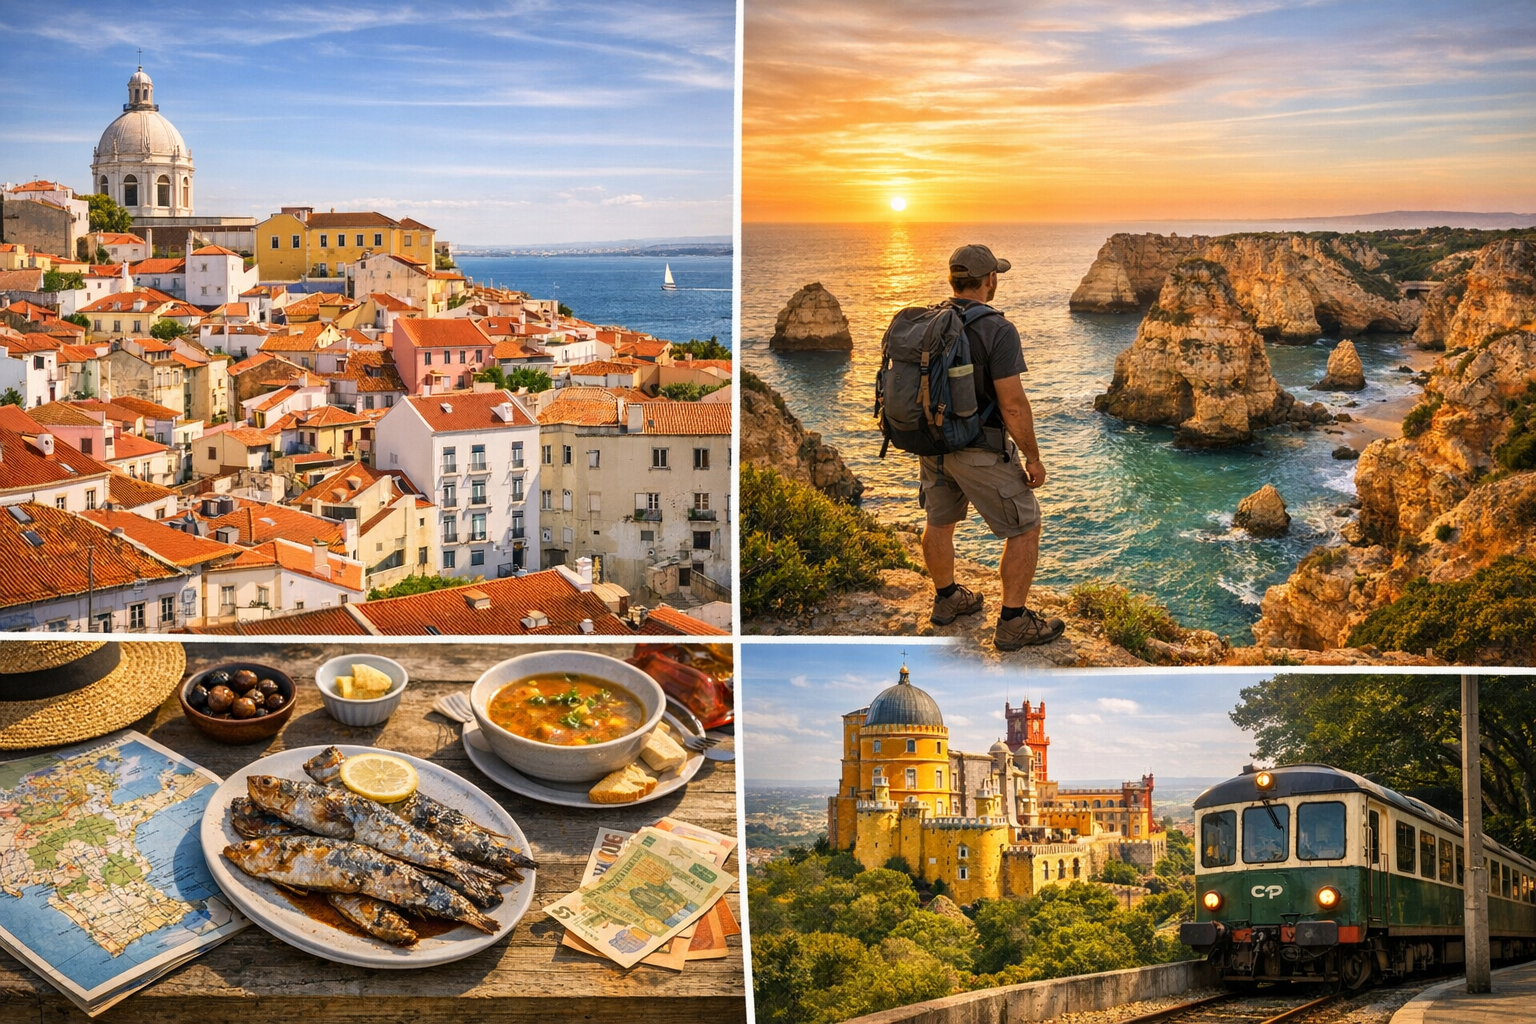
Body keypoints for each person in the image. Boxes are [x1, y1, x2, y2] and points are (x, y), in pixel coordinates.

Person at [920, 244, 1064, 650]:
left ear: (953, 280)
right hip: (978, 447)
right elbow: (1013, 405)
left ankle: (948, 599)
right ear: (990, 280)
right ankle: (1014, 622)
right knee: (1025, 527)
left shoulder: (931, 318)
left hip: (931, 444)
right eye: (994, 275)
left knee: (939, 520)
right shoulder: (998, 329)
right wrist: (1033, 457)